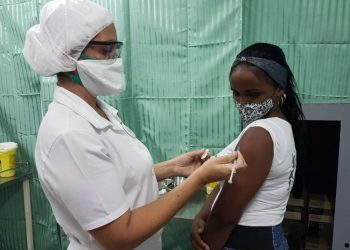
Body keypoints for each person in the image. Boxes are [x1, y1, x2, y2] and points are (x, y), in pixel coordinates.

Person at [23, 0, 247, 250]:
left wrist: (172, 168)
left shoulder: (97, 110)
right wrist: (200, 179)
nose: (115, 59)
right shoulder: (68, 134)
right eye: (105, 51)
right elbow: (120, 235)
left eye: (115, 49)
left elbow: (111, 176)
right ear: (69, 56)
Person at [191, 43, 305, 250]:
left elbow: (227, 213)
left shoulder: (260, 134)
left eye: (253, 95)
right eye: (236, 93)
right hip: (263, 236)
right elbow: (228, 181)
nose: (242, 102)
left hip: (244, 239)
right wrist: (203, 214)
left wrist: (207, 244)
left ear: (279, 89)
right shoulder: (281, 126)